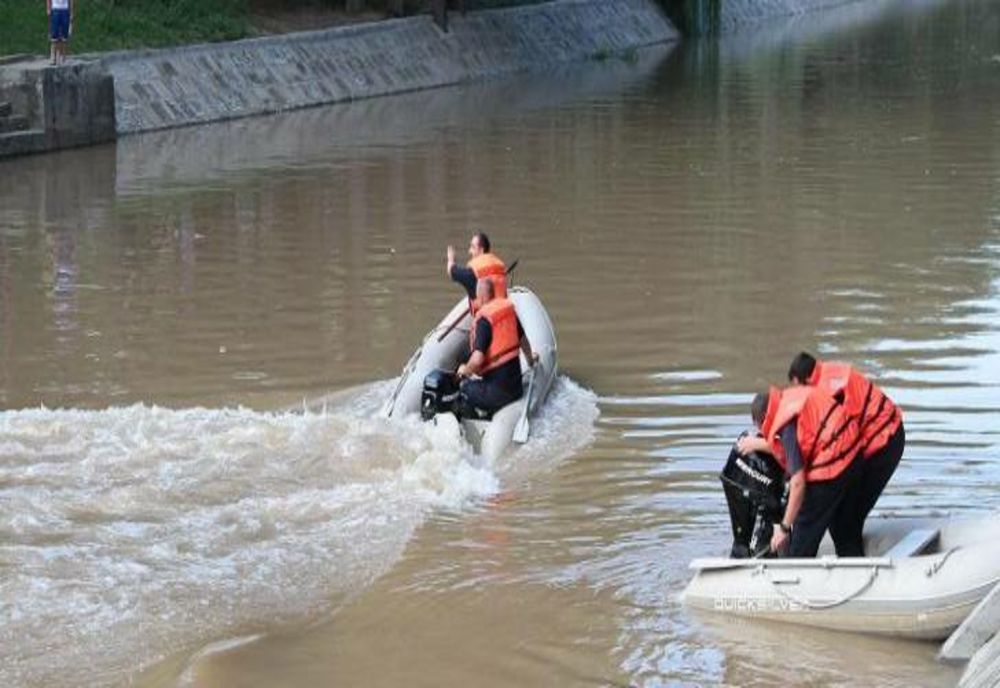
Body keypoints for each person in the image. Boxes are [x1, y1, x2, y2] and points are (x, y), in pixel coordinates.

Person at [787, 351, 904, 553]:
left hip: (883, 444)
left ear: (805, 380)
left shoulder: (828, 394)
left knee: (844, 521)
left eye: (798, 388)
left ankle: (854, 567)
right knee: (843, 517)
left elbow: (840, 443)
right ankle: (853, 556)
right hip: (889, 432)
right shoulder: (829, 372)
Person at [737, 384, 864, 557]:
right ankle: (854, 564)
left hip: (831, 470)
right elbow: (797, 446)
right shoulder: (790, 401)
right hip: (853, 458)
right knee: (843, 531)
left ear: (765, 418)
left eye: (762, 429)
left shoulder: (785, 422)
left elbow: (798, 482)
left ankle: (799, 567)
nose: (766, 435)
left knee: (800, 543)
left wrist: (783, 528)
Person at [456, 278, 536, 416]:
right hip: (516, 389)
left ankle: (477, 418)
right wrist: (531, 361)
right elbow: (524, 341)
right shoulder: (508, 313)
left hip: (498, 394)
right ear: (492, 294)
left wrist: (464, 371)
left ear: (480, 297)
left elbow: (477, 359)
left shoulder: (484, 320)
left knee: (464, 387)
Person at [446, 231, 507, 317]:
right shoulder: (499, 267)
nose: (469, 251)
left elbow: (451, 271)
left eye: (472, 247)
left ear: (481, 250)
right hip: (502, 316)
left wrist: (451, 259)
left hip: (485, 322)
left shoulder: (472, 274)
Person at [47, 0, 72, 66]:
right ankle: (53, 57)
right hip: (55, 9)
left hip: (65, 9)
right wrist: (48, 8)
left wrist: (71, 11)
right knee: (54, 34)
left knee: (64, 35)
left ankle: (62, 57)